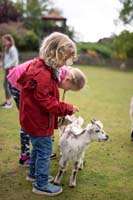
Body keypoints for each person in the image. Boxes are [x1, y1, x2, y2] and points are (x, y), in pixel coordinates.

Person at [17, 32, 79, 196]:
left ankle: (33, 174)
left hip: (32, 119)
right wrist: (67, 108)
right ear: (55, 53)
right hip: (39, 121)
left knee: (37, 149)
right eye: (65, 59)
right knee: (44, 151)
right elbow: (47, 103)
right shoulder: (43, 74)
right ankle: (41, 184)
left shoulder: (40, 66)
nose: (65, 63)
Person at [7, 62, 86, 166]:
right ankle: (25, 156)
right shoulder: (55, 75)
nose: (66, 90)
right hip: (18, 82)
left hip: (28, 81)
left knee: (41, 116)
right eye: (69, 88)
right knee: (28, 119)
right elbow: (48, 104)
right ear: (68, 80)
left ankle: (43, 150)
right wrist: (66, 108)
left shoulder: (61, 74)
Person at [0, 34, 19, 108]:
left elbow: (14, 60)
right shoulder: (7, 48)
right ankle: (8, 101)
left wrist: (6, 66)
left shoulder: (12, 49)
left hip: (11, 69)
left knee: (7, 85)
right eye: (3, 41)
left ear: (9, 41)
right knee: (7, 85)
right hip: (8, 68)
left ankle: (9, 103)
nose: (4, 43)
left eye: (5, 41)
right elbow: (6, 59)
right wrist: (2, 64)